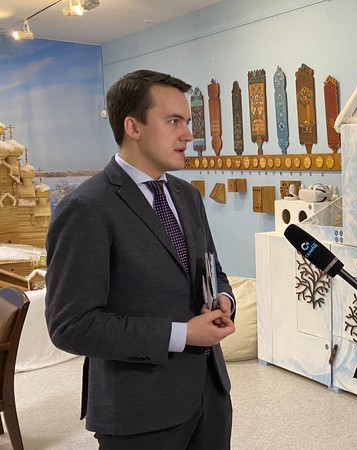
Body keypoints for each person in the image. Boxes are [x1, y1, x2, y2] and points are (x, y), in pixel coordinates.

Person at [45, 69, 236, 450]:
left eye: (188, 122)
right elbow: (71, 326)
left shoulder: (186, 196)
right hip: (139, 412)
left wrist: (224, 299)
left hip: (210, 395)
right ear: (133, 127)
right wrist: (183, 334)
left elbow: (211, 269)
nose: (188, 134)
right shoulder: (86, 208)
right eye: (174, 121)